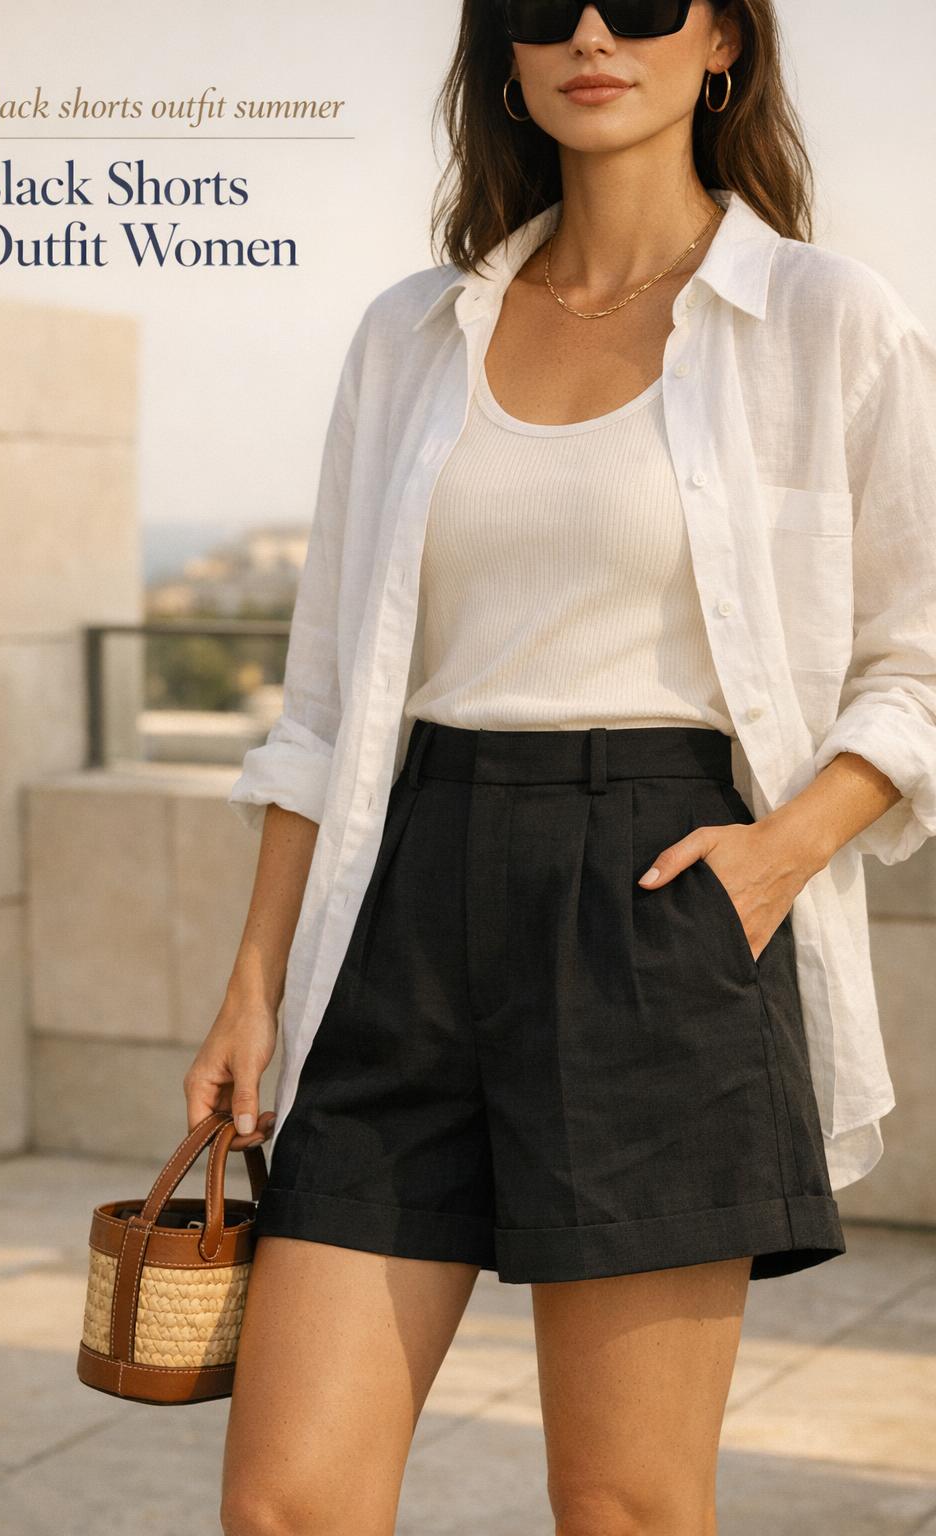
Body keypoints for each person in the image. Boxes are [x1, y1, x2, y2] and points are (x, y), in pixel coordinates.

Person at [188, 3, 936, 1532]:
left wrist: (779, 853)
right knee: (286, 1503)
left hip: (658, 895)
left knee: (623, 1506)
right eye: (545, 4)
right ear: (507, 57)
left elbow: (919, 653)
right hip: (407, 902)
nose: (592, 31)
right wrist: (255, 981)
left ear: (723, 43)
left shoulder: (822, 318)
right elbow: (323, 699)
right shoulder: (413, 334)